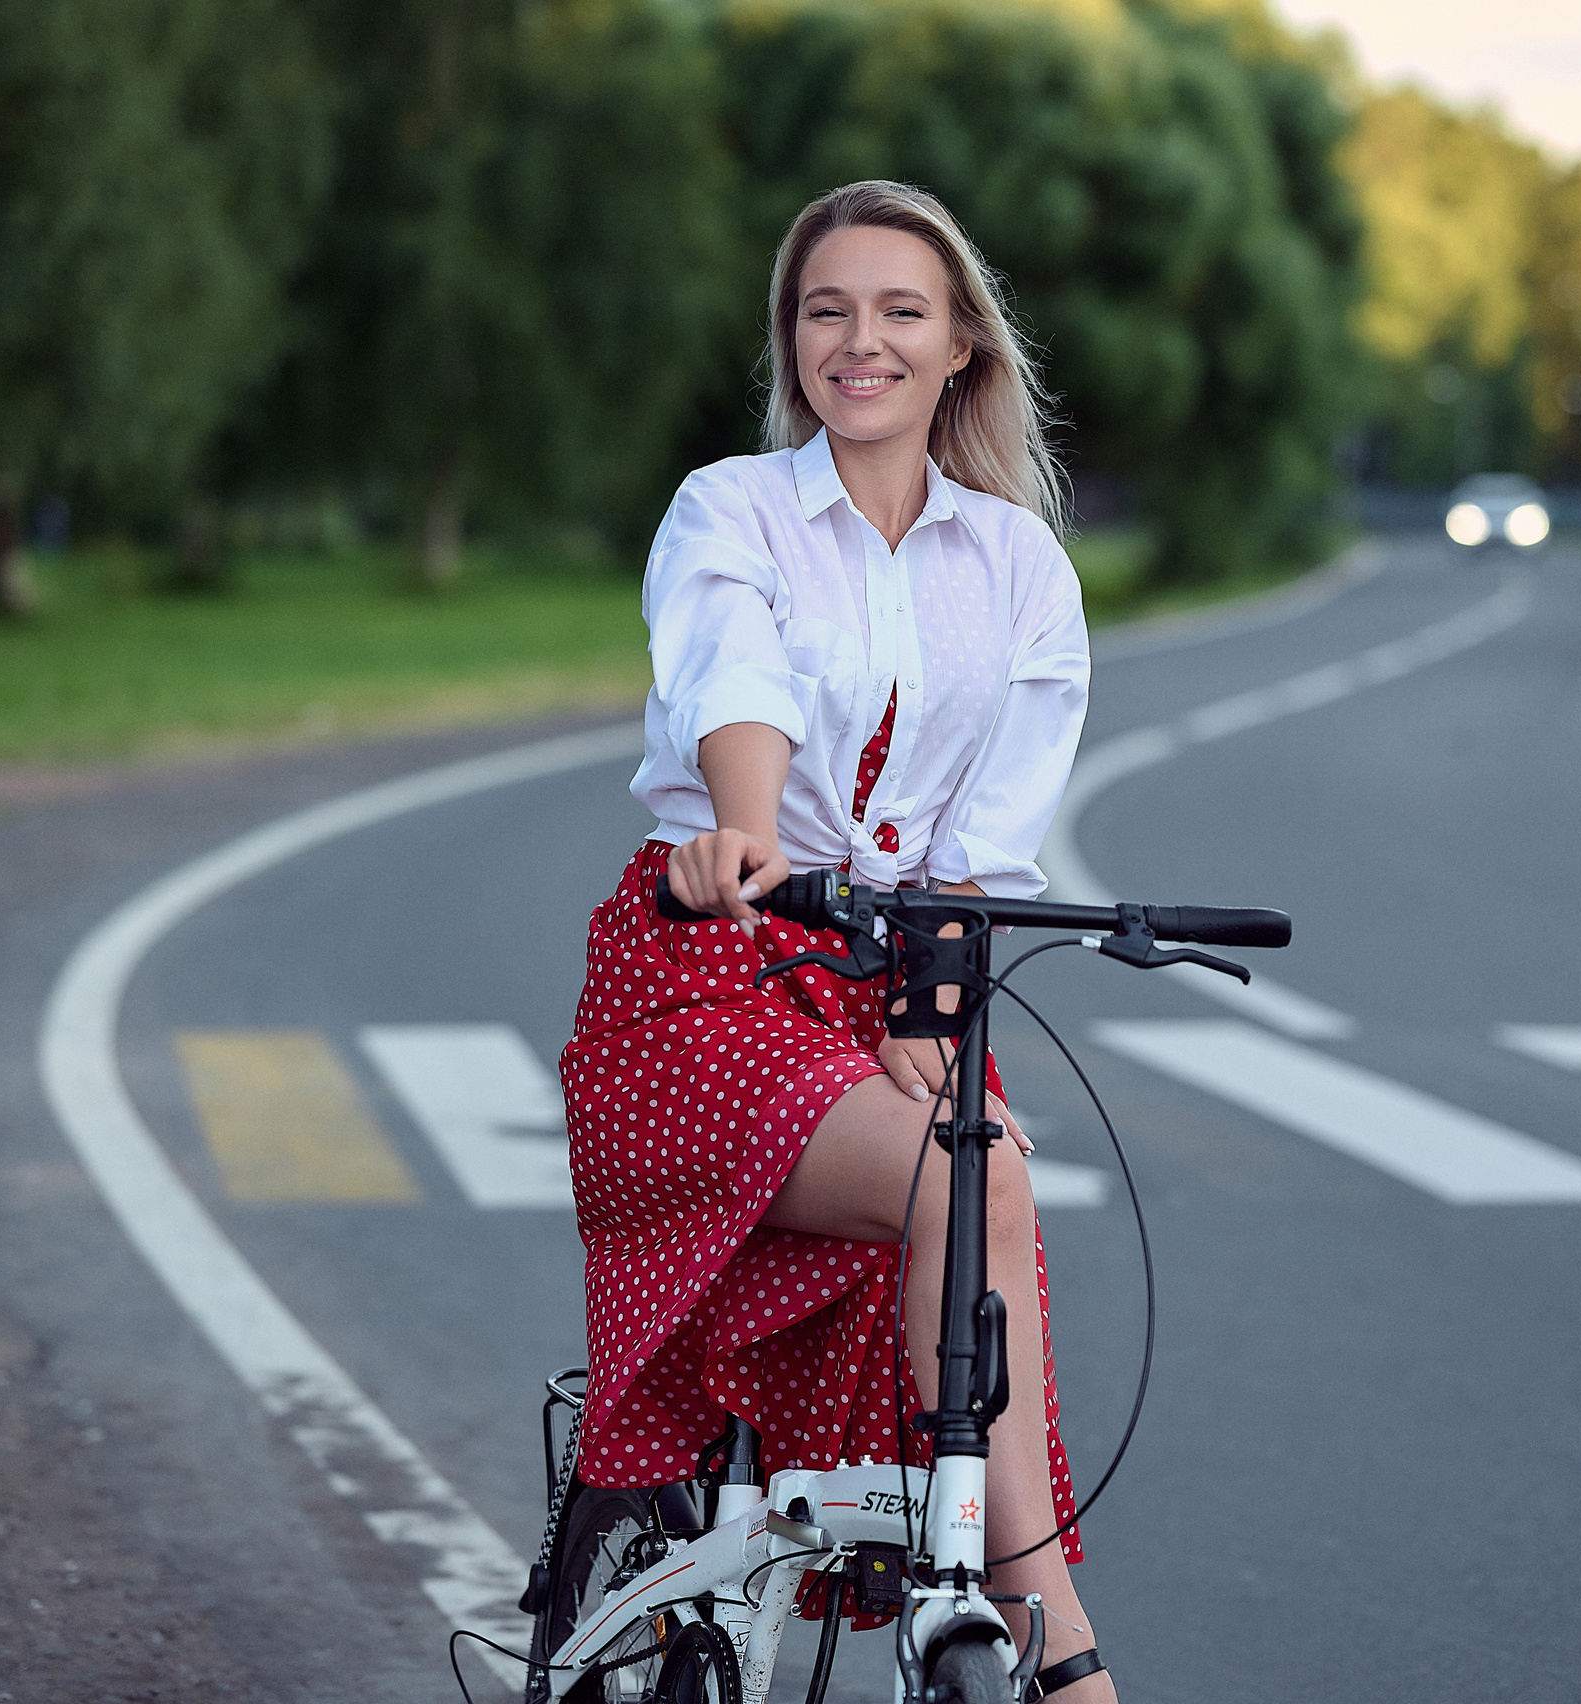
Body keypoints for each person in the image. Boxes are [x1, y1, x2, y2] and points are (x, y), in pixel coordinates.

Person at [557, 180, 1109, 1701]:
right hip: (708, 973)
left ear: (961, 352)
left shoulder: (1018, 570)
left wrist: (929, 1016)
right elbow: (733, 669)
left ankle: (972, 1569)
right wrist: (746, 841)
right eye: (827, 310)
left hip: (900, 974)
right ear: (795, 342)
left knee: (986, 1165)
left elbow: (988, 846)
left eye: (899, 311)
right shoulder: (729, 509)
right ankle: (1047, 1621)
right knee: (960, 1177)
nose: (858, 341)